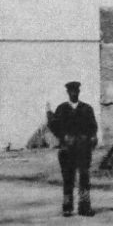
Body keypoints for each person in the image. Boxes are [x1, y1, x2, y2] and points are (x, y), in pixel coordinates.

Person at [47, 80, 98, 216]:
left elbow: (93, 127)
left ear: (79, 92)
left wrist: (91, 138)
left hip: (83, 148)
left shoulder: (87, 109)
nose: (74, 94)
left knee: (84, 177)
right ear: (68, 93)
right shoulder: (62, 109)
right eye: (71, 92)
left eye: (76, 91)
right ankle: (67, 207)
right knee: (68, 178)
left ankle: (84, 206)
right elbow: (55, 126)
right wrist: (62, 135)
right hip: (67, 149)